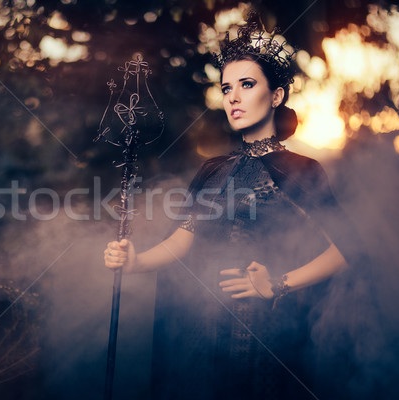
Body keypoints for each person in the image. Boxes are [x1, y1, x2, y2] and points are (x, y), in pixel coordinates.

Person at [103, 14, 373, 400]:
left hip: (270, 335)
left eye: (247, 85)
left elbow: (347, 249)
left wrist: (279, 283)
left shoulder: (301, 170)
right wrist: (136, 262)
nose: (233, 96)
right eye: (227, 87)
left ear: (276, 95)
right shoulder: (212, 169)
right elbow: (183, 238)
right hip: (203, 331)